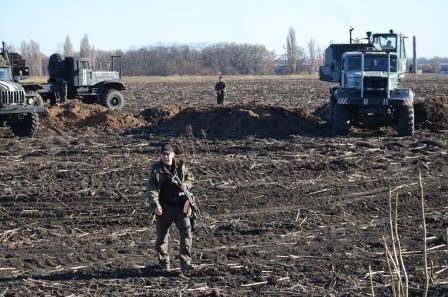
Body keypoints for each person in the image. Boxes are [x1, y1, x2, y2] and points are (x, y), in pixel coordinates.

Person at [147, 144, 194, 272]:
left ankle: (185, 264)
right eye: (164, 154)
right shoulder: (157, 169)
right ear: (161, 155)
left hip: (181, 206)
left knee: (186, 233)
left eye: (168, 154)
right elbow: (151, 188)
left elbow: (190, 179)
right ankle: (164, 265)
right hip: (164, 207)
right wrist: (155, 205)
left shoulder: (181, 166)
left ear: (173, 154)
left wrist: (186, 185)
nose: (166, 156)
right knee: (162, 237)